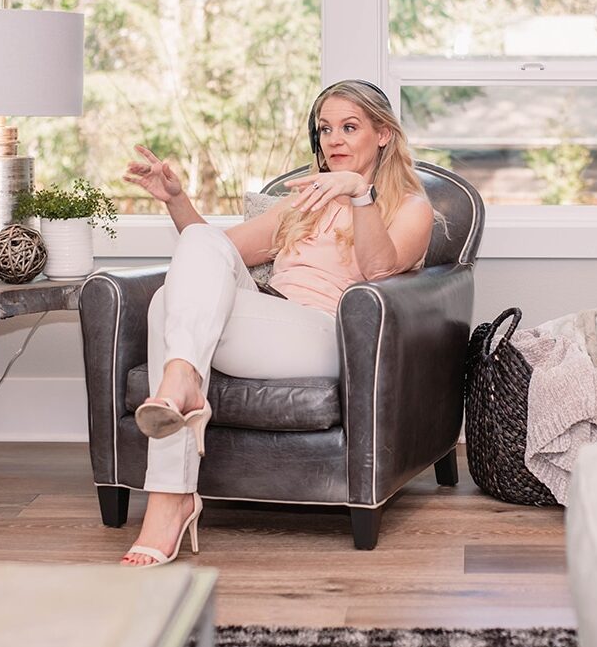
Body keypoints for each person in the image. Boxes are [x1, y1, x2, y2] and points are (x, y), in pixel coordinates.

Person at [119, 79, 434, 566]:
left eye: (350, 127)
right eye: (325, 129)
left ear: (383, 134)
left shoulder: (411, 207)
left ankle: (172, 476)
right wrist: (176, 200)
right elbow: (214, 251)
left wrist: (359, 194)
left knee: (165, 303)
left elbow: (380, 270)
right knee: (182, 272)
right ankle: (173, 481)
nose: (334, 140)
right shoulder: (302, 201)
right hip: (266, 318)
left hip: (324, 335)